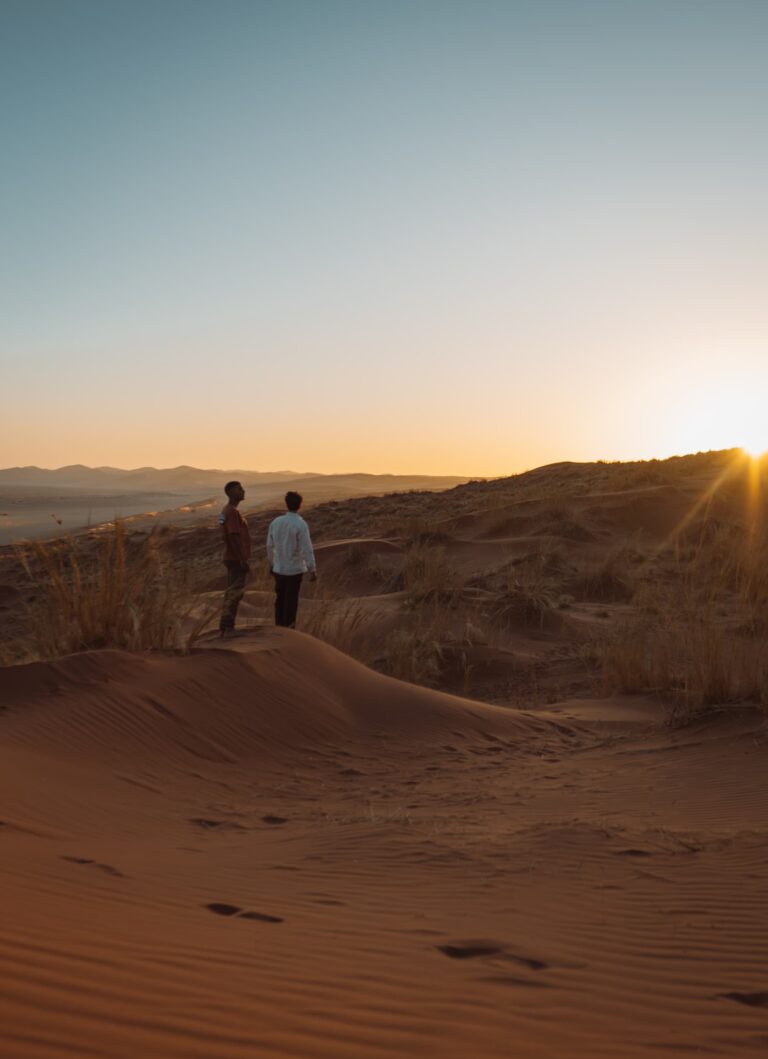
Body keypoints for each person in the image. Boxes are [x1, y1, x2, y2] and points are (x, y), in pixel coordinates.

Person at [266, 491, 317, 628]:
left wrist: (271, 564)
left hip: (279, 568)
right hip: (294, 569)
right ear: (299, 505)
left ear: (286, 504)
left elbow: (269, 546)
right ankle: (289, 628)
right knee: (291, 599)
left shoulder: (276, 522)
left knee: (280, 598)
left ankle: (279, 626)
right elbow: (307, 548)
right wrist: (312, 569)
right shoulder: (301, 524)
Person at [218, 480, 251, 637]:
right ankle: (228, 628)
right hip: (235, 558)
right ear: (231, 492)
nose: (243, 491)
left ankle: (225, 626)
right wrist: (242, 559)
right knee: (235, 593)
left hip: (230, 557)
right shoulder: (231, 512)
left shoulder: (225, 511)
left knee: (232, 592)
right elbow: (233, 535)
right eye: (239, 489)